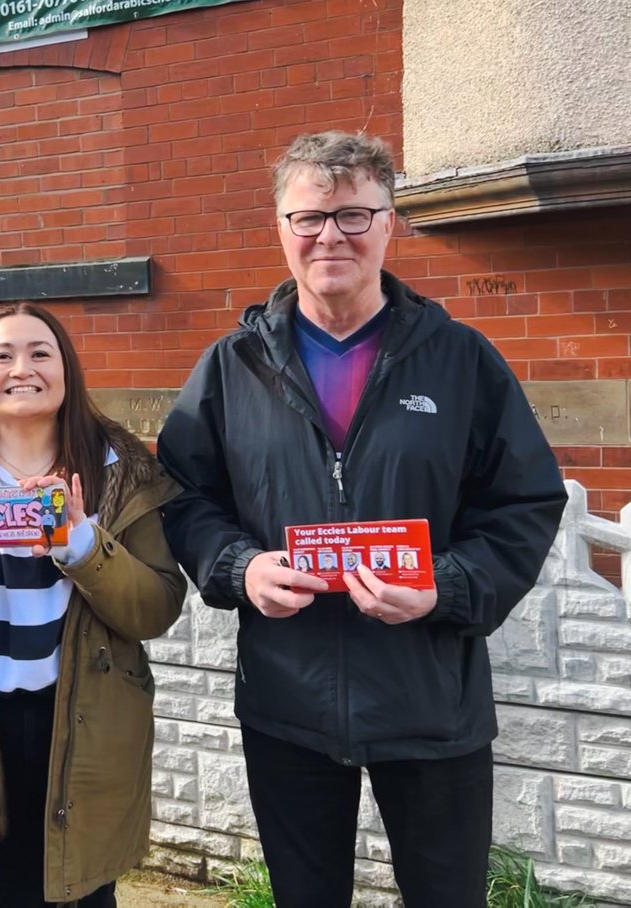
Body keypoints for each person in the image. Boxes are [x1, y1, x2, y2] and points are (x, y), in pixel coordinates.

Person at [157, 131, 566, 908]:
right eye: (308, 218)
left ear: (389, 223)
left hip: (429, 695)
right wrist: (238, 567)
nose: (328, 236)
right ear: (280, 228)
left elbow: (523, 503)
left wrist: (445, 586)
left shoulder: (460, 358)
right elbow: (181, 496)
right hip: (289, 699)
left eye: (352, 215)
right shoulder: (230, 367)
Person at [0, 303, 186, 908]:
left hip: (86, 718)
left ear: (67, 371)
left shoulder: (121, 471)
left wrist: (81, 543)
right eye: (3, 355)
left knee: (80, 889)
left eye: (40, 353)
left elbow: (156, 607)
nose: (22, 368)